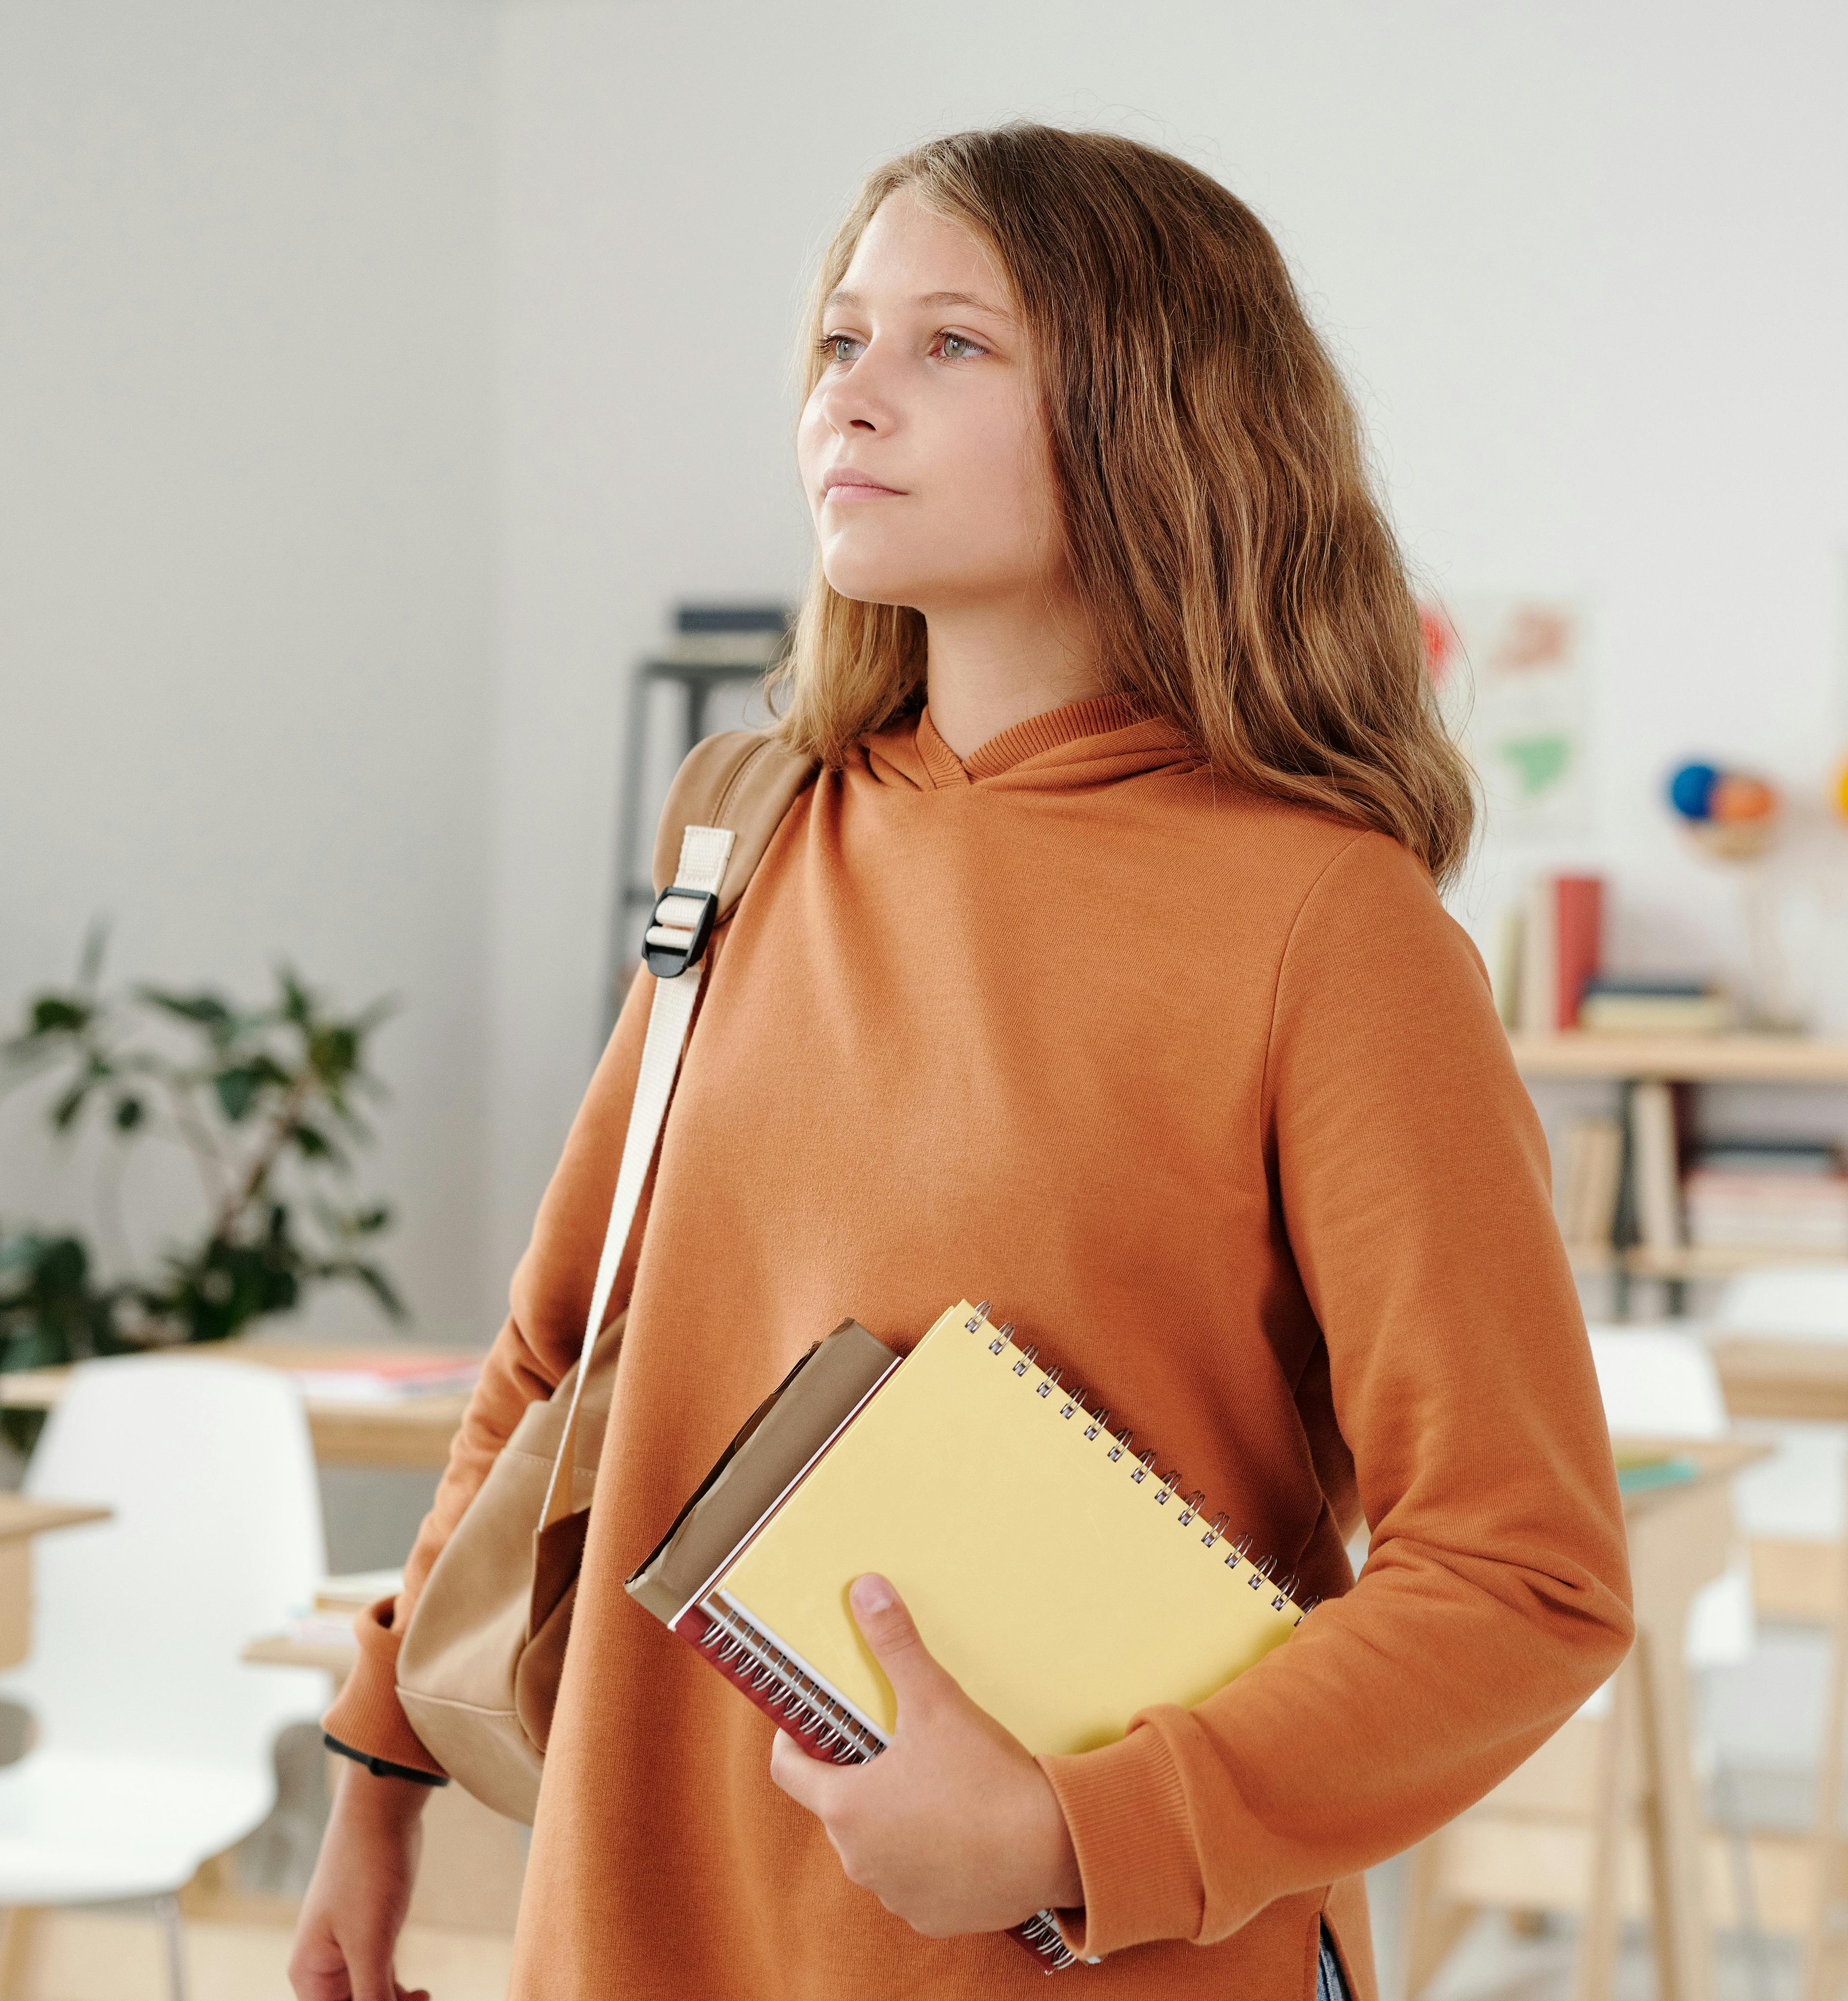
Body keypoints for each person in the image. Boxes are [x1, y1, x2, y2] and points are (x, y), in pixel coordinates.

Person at [291, 122, 1633, 2001]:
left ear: (1162, 414)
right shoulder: (748, 827)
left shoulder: (1329, 928)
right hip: (638, 1924)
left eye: (953, 346)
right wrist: (380, 1765)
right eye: (840, 344)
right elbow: (558, 1349)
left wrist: (1074, 1838)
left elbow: (1525, 1577)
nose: (855, 398)